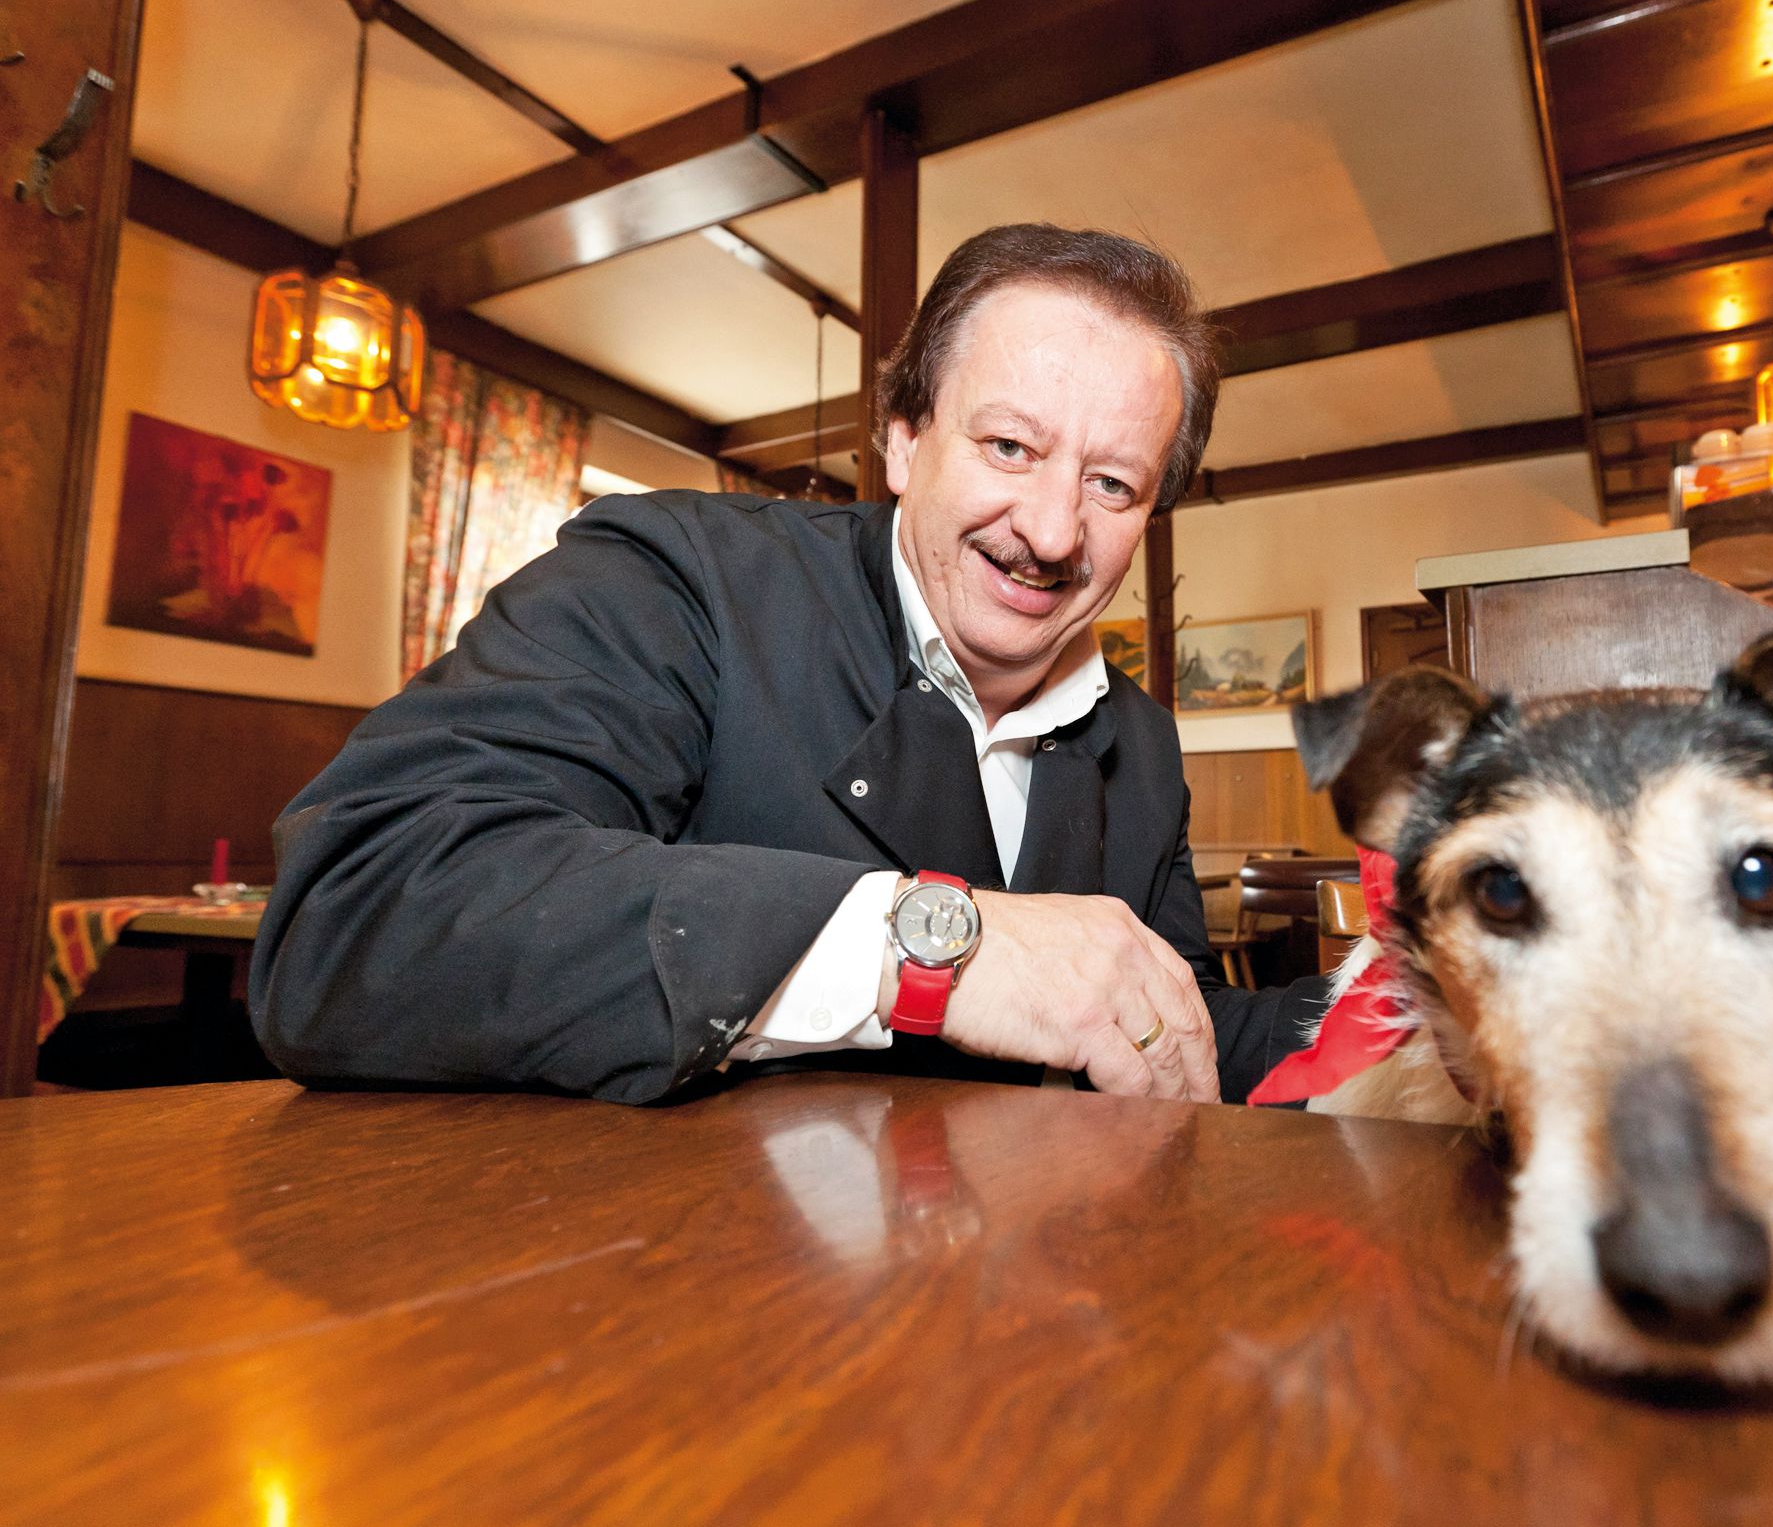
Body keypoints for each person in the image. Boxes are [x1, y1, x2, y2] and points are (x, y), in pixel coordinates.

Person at [251, 224, 1329, 1106]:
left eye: (1111, 485)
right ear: (903, 439)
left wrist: (1392, 1021)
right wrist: (931, 952)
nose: (1050, 532)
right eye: (1009, 447)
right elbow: (356, 914)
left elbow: (1165, 1019)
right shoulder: (681, 577)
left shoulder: (1135, 740)